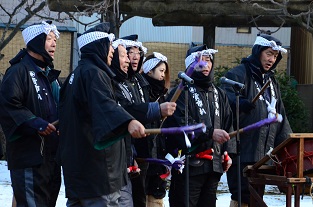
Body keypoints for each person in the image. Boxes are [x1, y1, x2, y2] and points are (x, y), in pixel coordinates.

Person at [57, 23, 146, 207]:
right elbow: (105, 105)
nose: (112, 51)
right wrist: (128, 121)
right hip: (97, 172)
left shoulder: (76, 75)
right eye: (109, 46)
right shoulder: (94, 74)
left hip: (78, 169)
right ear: (98, 47)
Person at [221, 34, 292, 207]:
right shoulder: (238, 73)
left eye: (275, 56)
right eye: (268, 54)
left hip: (264, 154)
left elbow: (280, 115)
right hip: (243, 149)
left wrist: (289, 149)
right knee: (243, 195)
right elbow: (223, 99)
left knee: (256, 195)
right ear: (258, 52)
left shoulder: (271, 80)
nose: (272, 59)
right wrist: (239, 103)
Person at [0, 21, 61, 207]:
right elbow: (9, 105)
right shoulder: (18, 71)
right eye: (49, 39)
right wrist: (35, 123)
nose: (54, 43)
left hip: (50, 157)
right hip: (29, 157)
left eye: (55, 39)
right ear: (35, 41)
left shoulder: (48, 74)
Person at [164, 45, 233, 207]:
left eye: (208, 61)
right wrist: (209, 133)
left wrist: (226, 152)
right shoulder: (180, 93)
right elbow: (180, 126)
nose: (206, 65)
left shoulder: (219, 93)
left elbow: (228, 124)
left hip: (213, 165)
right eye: (201, 61)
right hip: (189, 166)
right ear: (190, 65)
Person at [110, 38, 176, 207]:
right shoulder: (115, 82)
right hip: (127, 153)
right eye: (128, 53)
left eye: (137, 53)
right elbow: (129, 110)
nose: (133, 57)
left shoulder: (139, 82)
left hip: (141, 152)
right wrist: (156, 110)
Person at [141, 52, 170, 207]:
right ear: (149, 70)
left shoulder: (163, 95)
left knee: (156, 197)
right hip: (143, 153)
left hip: (158, 155)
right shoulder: (141, 91)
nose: (163, 75)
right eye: (160, 71)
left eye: (164, 72)